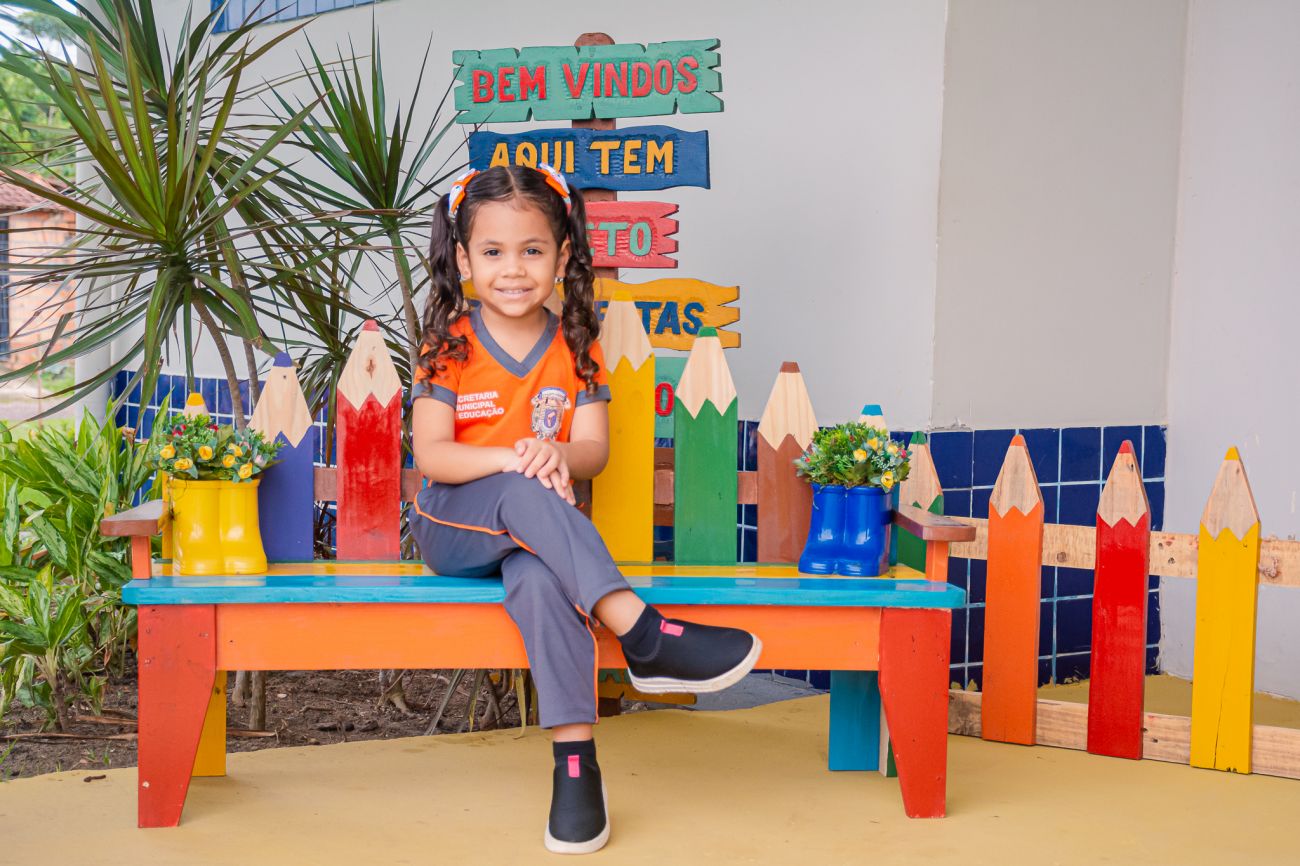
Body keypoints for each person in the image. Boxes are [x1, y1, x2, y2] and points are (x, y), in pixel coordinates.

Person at [409, 164, 761, 855]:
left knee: (543, 581)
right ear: (464, 261)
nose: (514, 269)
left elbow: (593, 452)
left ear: (563, 254)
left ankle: (576, 770)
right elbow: (433, 455)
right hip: (453, 525)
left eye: (532, 250)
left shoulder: (575, 342)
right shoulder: (449, 344)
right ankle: (643, 633)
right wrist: (517, 458)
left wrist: (555, 452)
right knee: (522, 488)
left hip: (537, 538)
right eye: (493, 252)